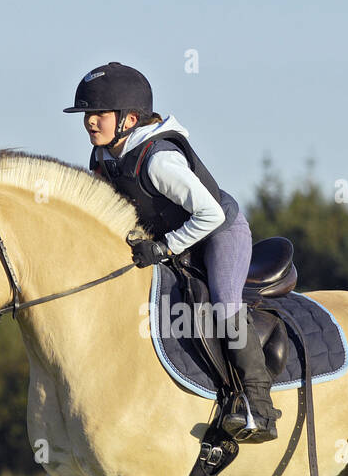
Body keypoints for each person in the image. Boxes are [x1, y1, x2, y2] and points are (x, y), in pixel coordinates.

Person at [64, 61, 279, 442]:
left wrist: (163, 247)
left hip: (217, 230)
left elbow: (209, 214)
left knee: (225, 305)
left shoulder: (159, 160)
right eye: (87, 115)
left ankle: (258, 408)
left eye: (98, 114)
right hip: (171, 236)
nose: (90, 122)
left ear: (130, 118)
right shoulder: (103, 158)